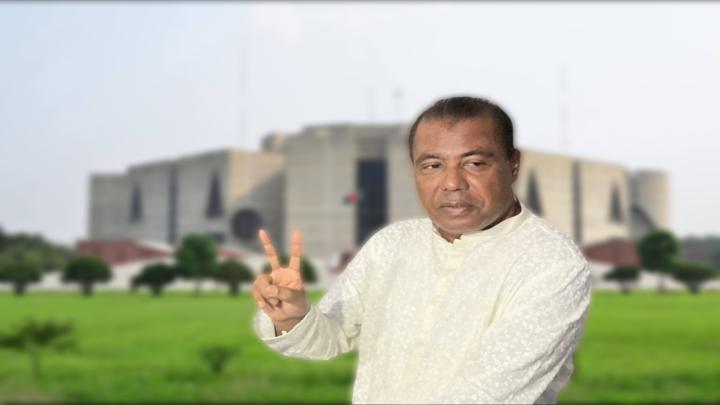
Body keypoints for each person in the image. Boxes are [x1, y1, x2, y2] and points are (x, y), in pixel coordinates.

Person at [252, 96, 591, 404]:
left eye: (474, 163)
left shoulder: (550, 263)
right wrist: (292, 316)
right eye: (433, 165)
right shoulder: (392, 244)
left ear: (513, 164)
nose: (452, 182)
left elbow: (489, 394)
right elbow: (333, 335)